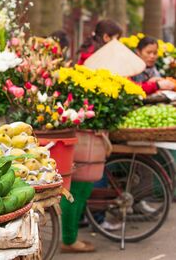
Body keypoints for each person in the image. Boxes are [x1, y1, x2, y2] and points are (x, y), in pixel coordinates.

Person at [60, 18, 123, 254]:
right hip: (84, 128)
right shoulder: (91, 60)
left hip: (93, 127)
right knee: (76, 187)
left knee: (85, 186)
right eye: (116, 39)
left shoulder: (97, 57)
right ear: (106, 38)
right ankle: (68, 239)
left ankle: (71, 236)